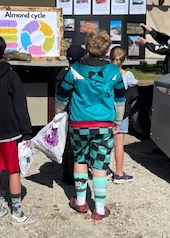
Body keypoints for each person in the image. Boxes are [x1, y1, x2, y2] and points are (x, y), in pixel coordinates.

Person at [56, 30, 125, 221]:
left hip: (78, 123)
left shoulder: (74, 70)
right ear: (106, 50)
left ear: (88, 46)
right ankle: (100, 209)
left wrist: (58, 115)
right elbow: (120, 100)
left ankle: (80, 202)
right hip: (104, 125)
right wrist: (117, 121)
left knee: (79, 160)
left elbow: (62, 97)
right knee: (100, 164)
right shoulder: (114, 71)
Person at [0, 34, 37, 226]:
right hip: (11, 131)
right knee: (13, 171)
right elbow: (20, 106)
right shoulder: (11, 76)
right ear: (4, 52)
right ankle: (17, 213)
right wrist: (27, 132)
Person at [55, 44, 86, 185]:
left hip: (65, 112)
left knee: (66, 142)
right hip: (76, 112)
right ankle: (74, 173)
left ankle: (66, 171)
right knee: (75, 146)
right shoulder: (79, 73)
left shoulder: (63, 72)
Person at [109, 46, 138, 184]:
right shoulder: (127, 75)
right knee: (119, 144)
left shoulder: (105, 74)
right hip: (121, 114)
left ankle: (102, 170)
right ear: (124, 60)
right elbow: (135, 86)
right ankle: (119, 173)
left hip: (106, 112)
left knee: (103, 143)